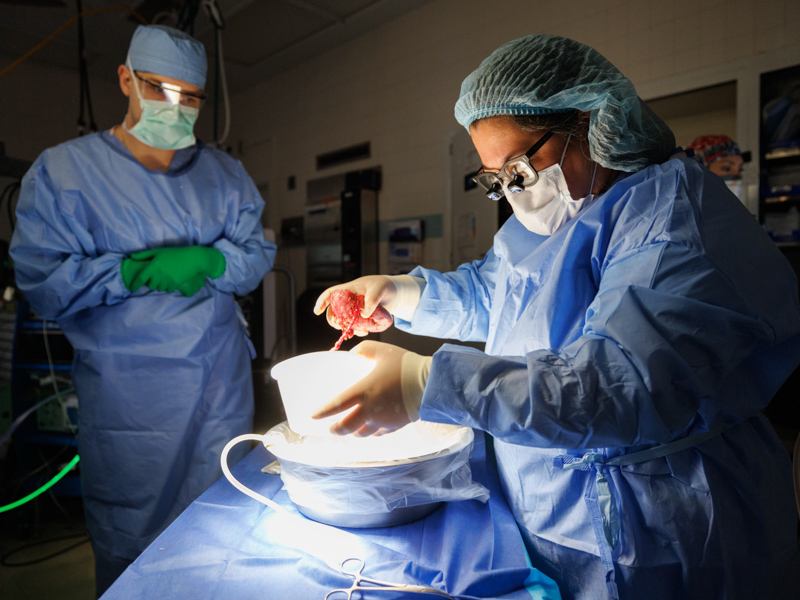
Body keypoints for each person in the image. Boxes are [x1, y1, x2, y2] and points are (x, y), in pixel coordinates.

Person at [313, 35, 800, 600]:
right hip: (561, 508)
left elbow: (621, 384)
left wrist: (426, 380)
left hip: (667, 525)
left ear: (591, 125)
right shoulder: (549, 221)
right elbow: (496, 294)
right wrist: (400, 293)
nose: (513, 193)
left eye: (520, 167)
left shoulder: (670, 215)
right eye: (495, 179)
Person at [9, 24, 276, 596]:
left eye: (191, 98)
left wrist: (208, 260)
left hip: (217, 382)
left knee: (218, 518)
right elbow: (41, 278)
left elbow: (255, 257)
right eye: (159, 89)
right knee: (134, 531)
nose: (176, 108)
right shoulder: (64, 173)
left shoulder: (225, 175)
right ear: (126, 79)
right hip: (130, 392)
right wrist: (126, 272)